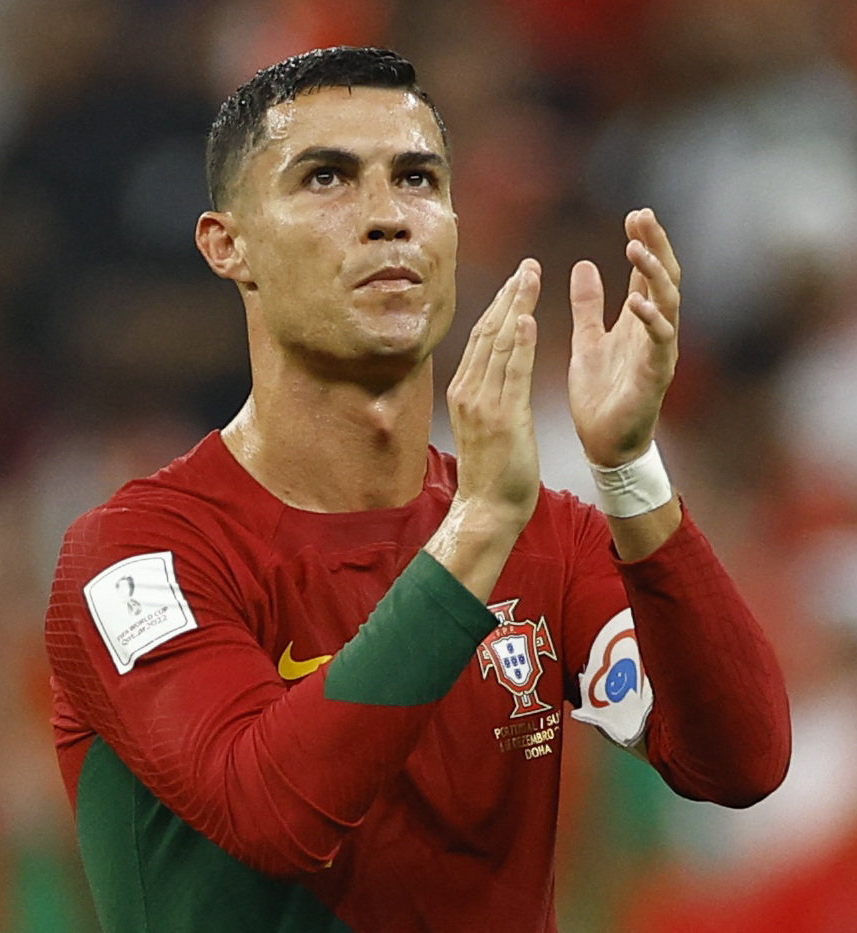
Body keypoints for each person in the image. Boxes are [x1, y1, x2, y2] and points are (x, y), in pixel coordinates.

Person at [44, 46, 791, 933]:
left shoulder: (544, 535)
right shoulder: (139, 556)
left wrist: (628, 467)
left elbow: (739, 762)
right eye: (326, 178)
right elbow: (274, 815)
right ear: (227, 243)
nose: (387, 217)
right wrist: (478, 529)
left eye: (417, 179)